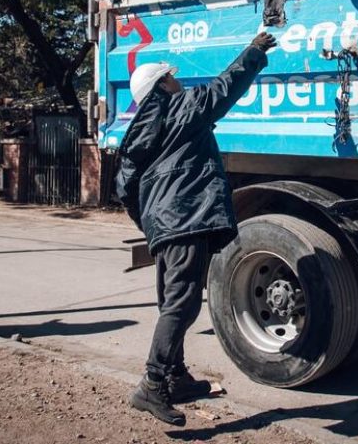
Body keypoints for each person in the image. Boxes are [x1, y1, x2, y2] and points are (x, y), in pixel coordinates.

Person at [116, 32, 276, 426]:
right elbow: (223, 89)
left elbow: (125, 189)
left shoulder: (138, 133)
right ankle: (152, 384)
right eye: (172, 77)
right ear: (161, 86)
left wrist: (152, 225)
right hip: (186, 220)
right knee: (182, 305)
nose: (178, 81)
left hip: (165, 227)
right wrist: (254, 51)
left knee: (172, 302)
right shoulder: (181, 108)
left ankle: (176, 377)